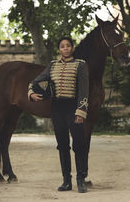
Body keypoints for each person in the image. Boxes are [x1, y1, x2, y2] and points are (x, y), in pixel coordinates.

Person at [28, 37, 89, 193]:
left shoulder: (80, 65)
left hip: (73, 108)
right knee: (62, 145)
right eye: (62, 46)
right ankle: (66, 181)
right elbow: (34, 82)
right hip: (57, 109)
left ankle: (81, 180)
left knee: (79, 144)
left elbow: (84, 89)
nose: (66, 48)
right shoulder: (52, 65)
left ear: (72, 48)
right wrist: (31, 94)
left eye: (68, 46)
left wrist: (81, 111)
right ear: (59, 49)